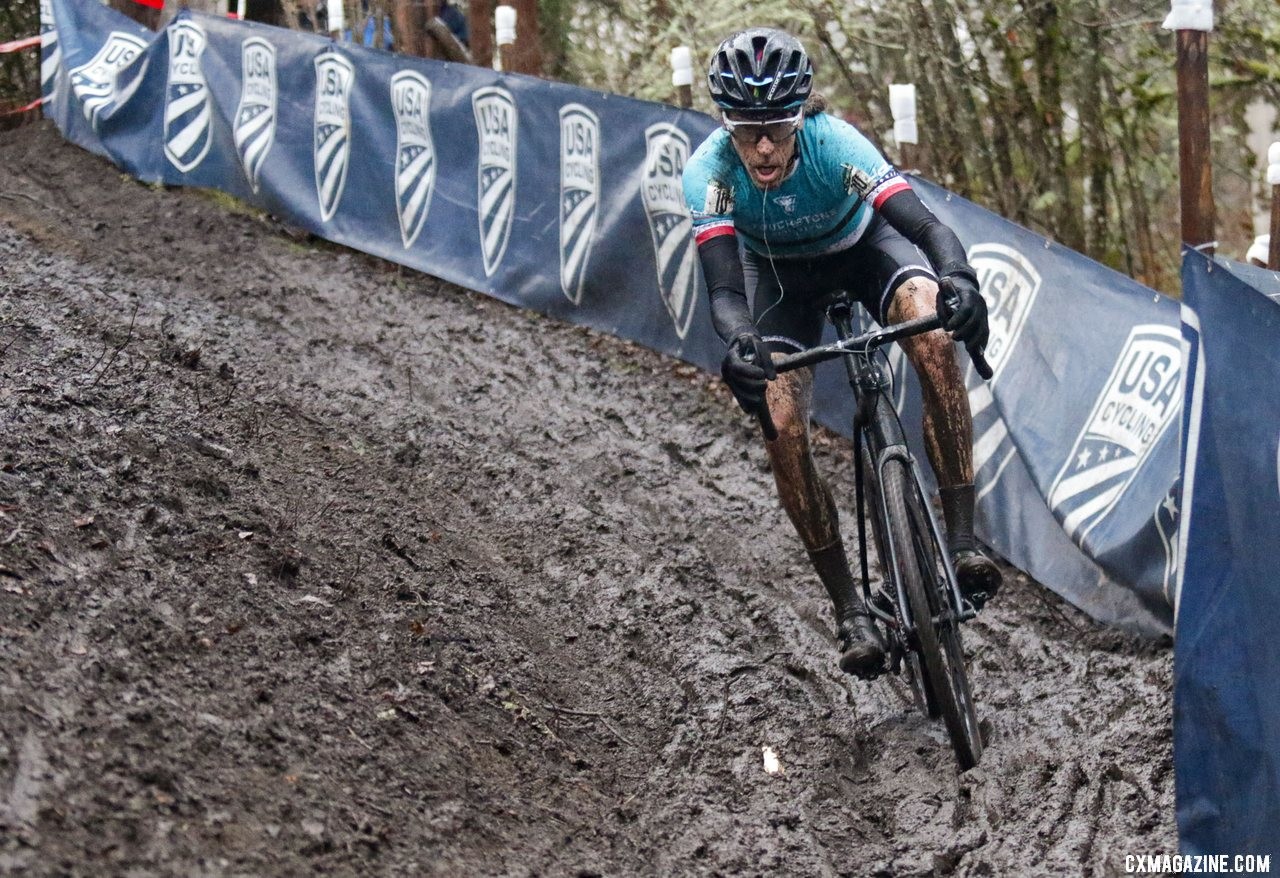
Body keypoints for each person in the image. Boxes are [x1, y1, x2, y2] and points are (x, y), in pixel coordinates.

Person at [682, 27, 1002, 678]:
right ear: (726, 127)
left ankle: (963, 540)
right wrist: (742, 344)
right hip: (781, 284)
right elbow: (723, 288)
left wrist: (959, 280)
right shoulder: (708, 172)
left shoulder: (837, 146)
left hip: (865, 254)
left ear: (801, 118)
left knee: (933, 334)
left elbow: (923, 226)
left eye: (777, 127)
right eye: (747, 131)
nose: (764, 147)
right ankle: (851, 609)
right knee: (778, 419)